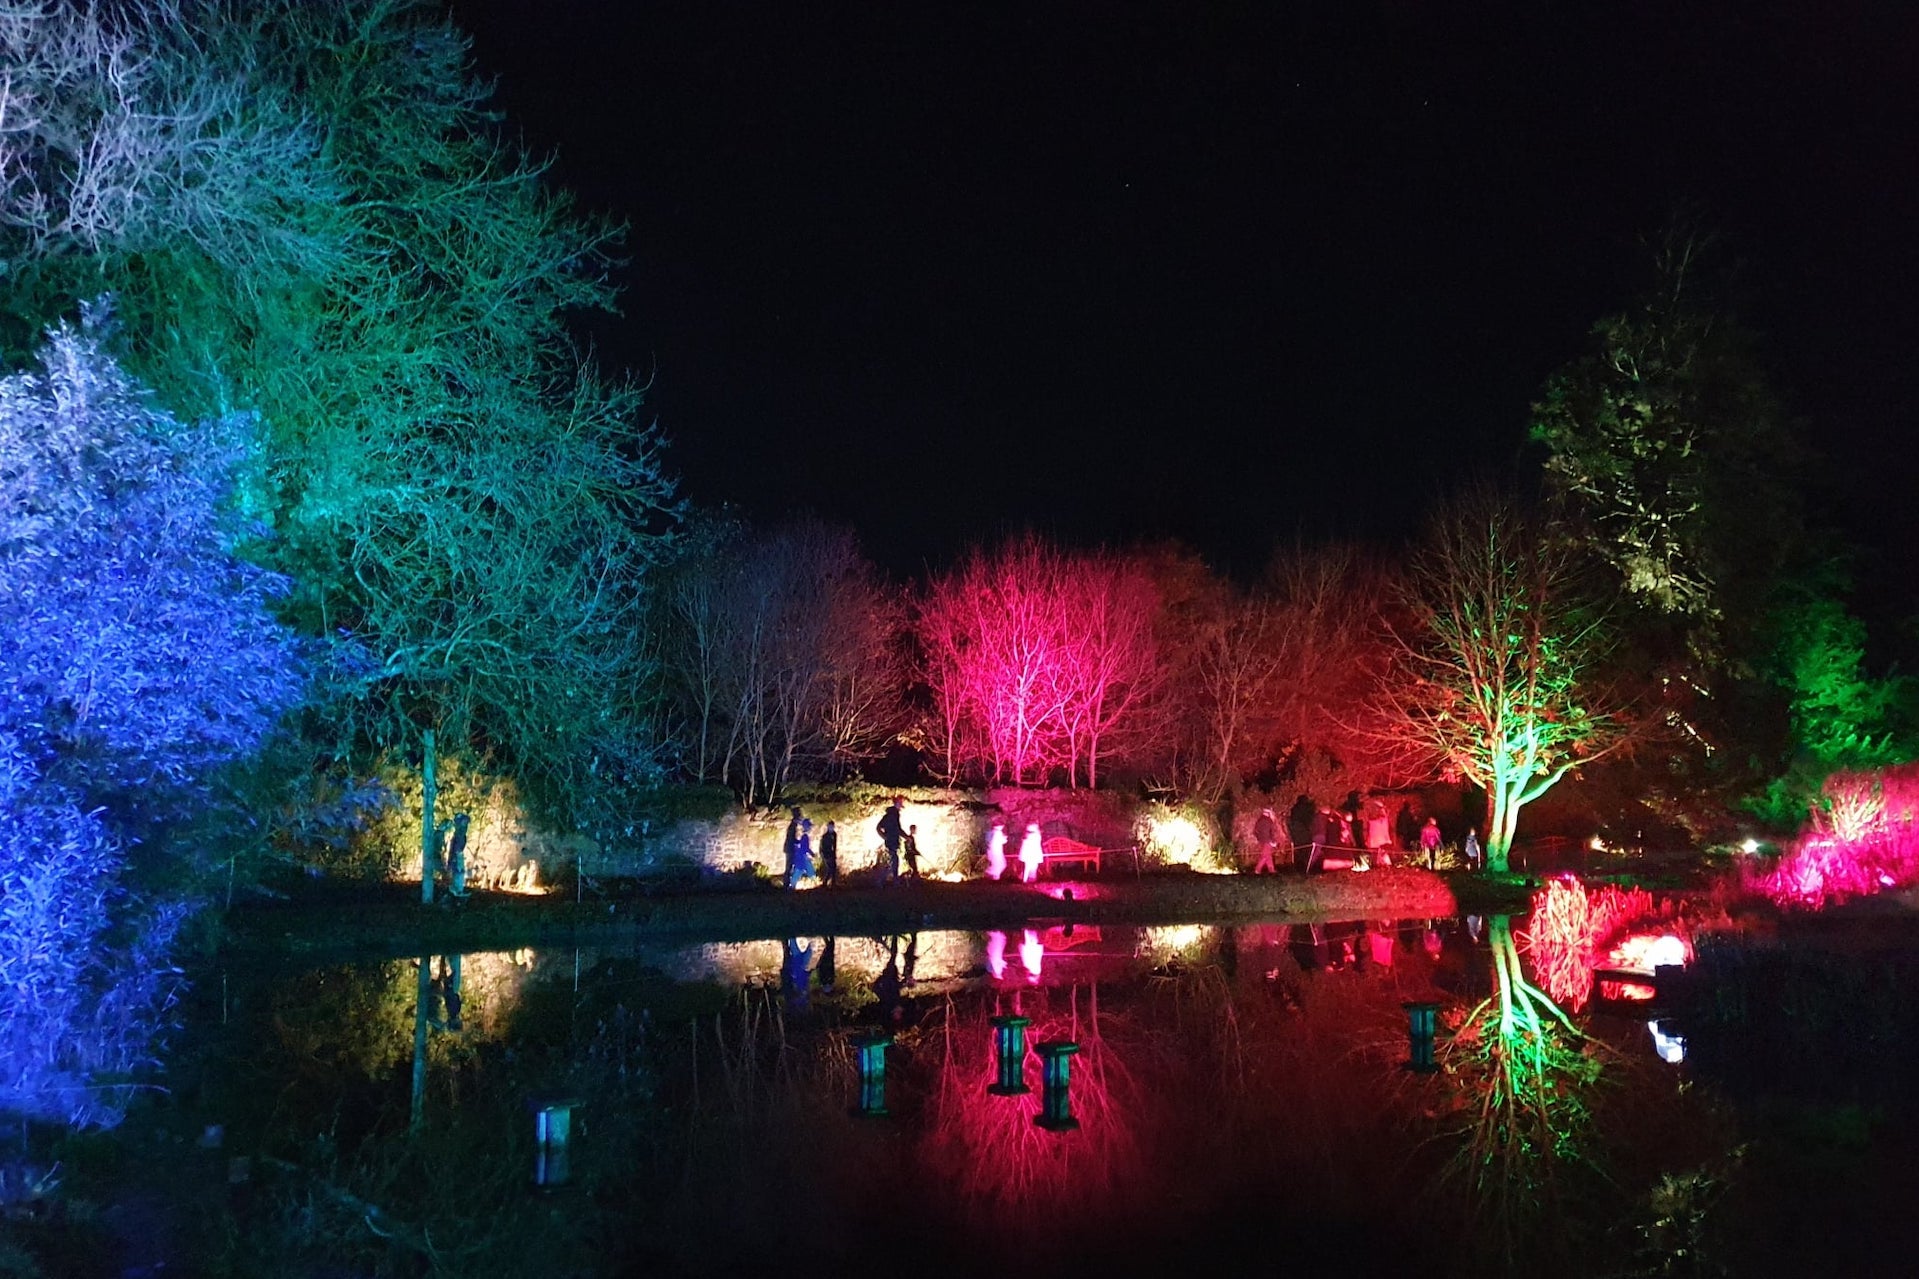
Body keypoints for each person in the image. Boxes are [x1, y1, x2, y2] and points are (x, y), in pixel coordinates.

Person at [875, 797, 905, 884]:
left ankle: (889, 879)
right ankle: (883, 880)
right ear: (897, 804)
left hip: (892, 841)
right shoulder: (891, 816)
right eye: (900, 804)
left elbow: (897, 829)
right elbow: (879, 827)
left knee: (893, 860)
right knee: (893, 861)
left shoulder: (893, 815)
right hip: (891, 841)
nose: (900, 807)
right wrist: (885, 837)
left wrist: (885, 837)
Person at [446, 812, 470, 897]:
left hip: (458, 855)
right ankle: (457, 892)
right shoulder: (458, 835)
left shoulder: (461, 835)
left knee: (459, 873)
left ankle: (458, 890)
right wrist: (455, 858)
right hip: (457, 856)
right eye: (464, 822)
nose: (466, 825)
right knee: (458, 872)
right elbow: (454, 849)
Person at [1251, 807, 1278, 875]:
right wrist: (1273, 841)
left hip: (1262, 841)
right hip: (1268, 841)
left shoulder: (1259, 820)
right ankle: (1257, 869)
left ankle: (1271, 869)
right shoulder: (1269, 821)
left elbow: (1255, 831)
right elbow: (1271, 832)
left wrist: (1259, 838)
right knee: (1265, 856)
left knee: (1268, 855)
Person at [789, 817, 814, 888]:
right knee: (801, 870)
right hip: (802, 856)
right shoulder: (805, 836)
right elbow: (805, 847)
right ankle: (792, 885)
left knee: (800, 870)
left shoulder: (804, 836)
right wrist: (811, 853)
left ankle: (793, 885)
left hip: (801, 855)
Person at [782, 805, 804, 884]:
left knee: (790, 866)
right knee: (789, 866)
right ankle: (786, 884)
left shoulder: (793, 825)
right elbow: (791, 838)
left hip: (790, 848)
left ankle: (788, 883)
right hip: (790, 848)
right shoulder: (793, 826)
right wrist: (798, 842)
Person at [819, 820, 839, 886]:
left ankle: (833, 883)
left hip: (831, 853)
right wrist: (823, 855)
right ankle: (825, 883)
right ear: (828, 827)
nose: (831, 828)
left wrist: (834, 854)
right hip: (826, 853)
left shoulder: (834, 834)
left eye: (832, 826)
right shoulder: (825, 836)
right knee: (830, 868)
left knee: (833, 868)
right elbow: (821, 847)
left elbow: (834, 845)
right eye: (830, 826)